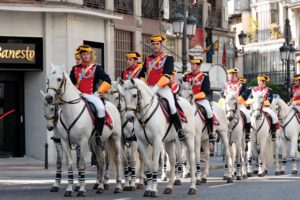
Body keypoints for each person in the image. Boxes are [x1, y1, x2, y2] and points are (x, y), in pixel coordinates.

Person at [138, 34, 186, 141]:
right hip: (149, 88)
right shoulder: (148, 59)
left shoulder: (168, 58)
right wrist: (144, 87)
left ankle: (179, 130)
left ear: (161, 45)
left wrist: (156, 87)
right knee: (138, 105)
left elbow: (167, 74)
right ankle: (136, 131)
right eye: (153, 44)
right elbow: (141, 74)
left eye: (157, 44)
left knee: (172, 106)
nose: (155, 46)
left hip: (163, 89)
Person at [70, 45, 111, 146]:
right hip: (78, 95)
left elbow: (108, 81)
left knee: (101, 108)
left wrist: (99, 92)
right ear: (81, 55)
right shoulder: (75, 69)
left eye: (87, 54)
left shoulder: (96, 68)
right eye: (84, 54)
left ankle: (99, 135)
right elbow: (70, 84)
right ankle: (60, 133)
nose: (86, 56)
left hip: (92, 95)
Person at [183, 58, 214, 140]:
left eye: (194, 65)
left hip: (201, 100)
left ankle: (210, 132)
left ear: (198, 66)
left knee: (209, 111)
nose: (192, 66)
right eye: (191, 65)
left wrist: (195, 96)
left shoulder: (204, 77)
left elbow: (206, 91)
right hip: (187, 100)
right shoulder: (186, 76)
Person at [223, 68, 251, 142]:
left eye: (231, 74)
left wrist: (235, 101)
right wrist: (226, 101)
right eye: (229, 74)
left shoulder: (241, 84)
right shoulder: (226, 84)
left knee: (247, 116)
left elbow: (244, 96)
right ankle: (217, 133)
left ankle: (247, 134)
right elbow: (222, 94)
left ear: (235, 74)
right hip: (228, 105)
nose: (230, 76)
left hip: (239, 105)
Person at [251, 75, 278, 141]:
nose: (259, 82)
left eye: (260, 81)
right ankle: (247, 132)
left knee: (274, 117)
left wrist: (262, 103)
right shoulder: (254, 90)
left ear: (264, 82)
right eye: (258, 81)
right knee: (248, 117)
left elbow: (269, 101)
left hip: (265, 108)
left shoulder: (268, 90)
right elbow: (251, 99)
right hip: (255, 108)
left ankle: (273, 133)